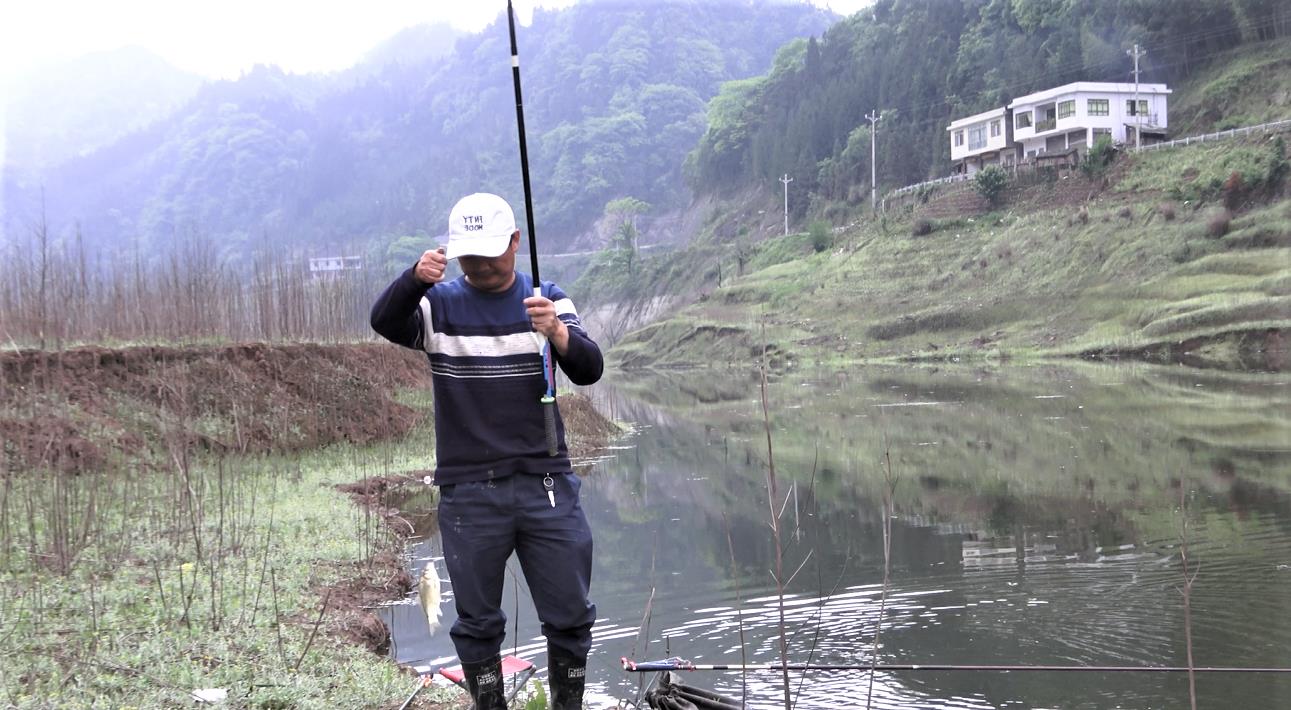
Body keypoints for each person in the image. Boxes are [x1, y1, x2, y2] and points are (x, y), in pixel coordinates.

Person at [370, 192, 602, 709]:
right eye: (468, 253)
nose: (479, 263)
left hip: (547, 484)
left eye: (491, 251)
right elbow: (385, 321)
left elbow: (589, 368)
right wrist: (414, 279)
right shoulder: (438, 305)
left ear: (515, 243)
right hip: (469, 491)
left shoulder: (547, 298)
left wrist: (558, 333)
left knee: (569, 612)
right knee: (476, 623)